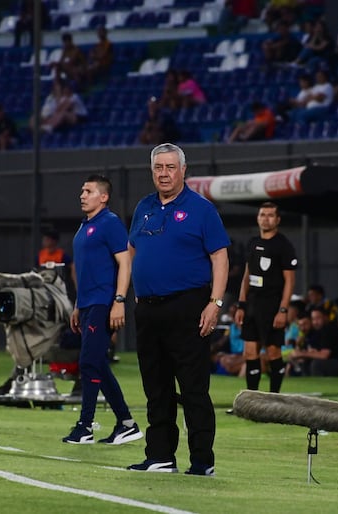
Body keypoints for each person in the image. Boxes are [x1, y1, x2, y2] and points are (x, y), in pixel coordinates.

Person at [127, 143, 229, 476]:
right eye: (159, 167)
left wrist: (215, 303)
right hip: (149, 309)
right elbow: (131, 250)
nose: (164, 173)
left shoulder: (202, 209)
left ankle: (202, 462)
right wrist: (128, 295)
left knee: (193, 389)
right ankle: (160, 456)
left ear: (184, 170)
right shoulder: (144, 207)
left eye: (171, 167)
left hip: (188, 307)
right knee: (155, 387)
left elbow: (220, 257)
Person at [62, 174, 143, 445]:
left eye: (88, 191)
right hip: (86, 304)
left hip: (103, 302)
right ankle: (127, 423)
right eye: (82, 191)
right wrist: (76, 306)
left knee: (87, 362)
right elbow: (84, 273)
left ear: (103, 197)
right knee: (96, 362)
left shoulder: (110, 223)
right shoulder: (84, 227)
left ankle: (85, 426)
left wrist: (119, 301)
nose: (82, 195)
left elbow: (125, 263)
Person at [233, 202, 296, 393]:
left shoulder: (283, 245)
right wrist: (241, 305)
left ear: (277, 220)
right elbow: (246, 276)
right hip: (252, 304)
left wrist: (283, 310)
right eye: (262, 215)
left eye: (270, 215)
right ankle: (251, 400)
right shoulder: (252, 243)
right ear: (258, 218)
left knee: (273, 352)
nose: (265, 218)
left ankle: (274, 399)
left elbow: (290, 281)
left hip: (273, 305)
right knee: (250, 352)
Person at [289, 306, 338, 376]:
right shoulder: (318, 332)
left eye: (318, 318)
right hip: (333, 361)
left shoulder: (329, 330)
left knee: (317, 364)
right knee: (307, 362)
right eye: (313, 319)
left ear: (326, 317)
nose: (315, 322)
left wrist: (301, 354)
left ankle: (319, 386)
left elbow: (324, 355)